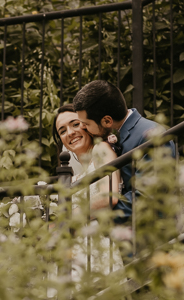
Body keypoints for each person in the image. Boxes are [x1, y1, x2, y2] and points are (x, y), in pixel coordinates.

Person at [72, 80, 176, 221]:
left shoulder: (151, 135)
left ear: (107, 121)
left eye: (86, 124)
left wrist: (100, 218)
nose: (83, 128)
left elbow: (147, 196)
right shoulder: (115, 136)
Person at [53, 103, 121, 213]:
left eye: (75, 124)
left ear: (87, 124)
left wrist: (66, 220)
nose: (70, 133)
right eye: (63, 131)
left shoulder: (101, 149)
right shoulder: (73, 178)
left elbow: (109, 197)